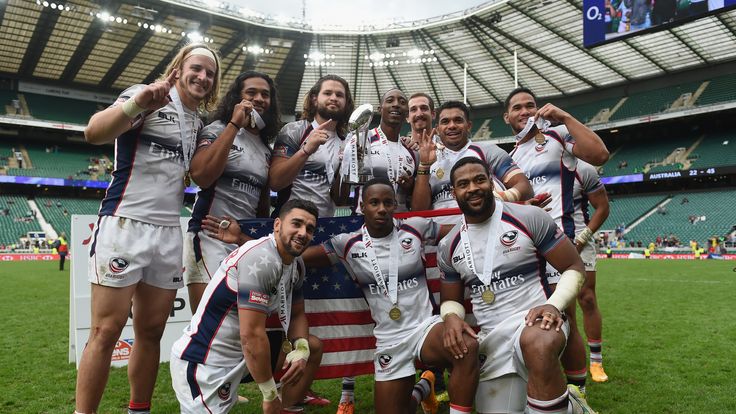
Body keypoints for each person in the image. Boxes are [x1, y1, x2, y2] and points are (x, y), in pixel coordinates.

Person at [203, 178, 480, 414]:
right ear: (362, 207)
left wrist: (501, 207)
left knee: (465, 346)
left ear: (395, 205)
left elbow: (463, 232)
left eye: (388, 202)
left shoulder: (416, 228)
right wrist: (242, 240)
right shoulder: (346, 243)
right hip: (389, 340)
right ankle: (424, 386)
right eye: (374, 202)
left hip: (423, 329)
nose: (382, 209)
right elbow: (292, 253)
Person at [78, 43, 221, 414]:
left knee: (151, 331)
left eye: (210, 73)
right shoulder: (147, 95)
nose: (203, 77)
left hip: (167, 234)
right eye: (197, 68)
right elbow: (93, 132)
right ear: (179, 67)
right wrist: (137, 104)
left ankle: (138, 409)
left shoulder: (196, 123)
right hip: (124, 225)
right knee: (106, 332)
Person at [437, 157, 593, 414]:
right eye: (463, 184)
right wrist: (451, 317)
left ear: (491, 182)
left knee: (537, 344)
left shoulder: (529, 217)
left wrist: (553, 305)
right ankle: (571, 407)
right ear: (454, 193)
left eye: (479, 179)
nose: (473, 188)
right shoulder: (449, 245)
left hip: (537, 322)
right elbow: (451, 299)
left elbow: (574, 268)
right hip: (491, 339)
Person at [171, 200, 323, 414]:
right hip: (205, 361)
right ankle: (275, 400)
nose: (302, 233)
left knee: (312, 345)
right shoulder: (262, 258)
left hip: (239, 358)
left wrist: (301, 350)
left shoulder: (296, 263)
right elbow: (251, 335)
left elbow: (297, 314)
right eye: (296, 224)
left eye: (309, 229)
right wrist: (268, 394)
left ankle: (286, 406)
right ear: (277, 225)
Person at [506, 87, 608, 398]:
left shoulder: (557, 135)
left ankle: (579, 386)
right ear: (506, 117)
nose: (524, 111)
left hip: (563, 242)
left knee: (569, 313)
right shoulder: (510, 159)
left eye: (530, 105)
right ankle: (541, 377)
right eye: (517, 108)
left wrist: (563, 115)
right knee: (536, 317)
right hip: (529, 248)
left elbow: (600, 155)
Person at [183, 71, 279, 313]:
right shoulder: (217, 129)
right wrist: (234, 124)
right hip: (208, 237)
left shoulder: (266, 148)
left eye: (265, 95)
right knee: (208, 320)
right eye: (251, 92)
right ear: (237, 97)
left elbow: (261, 204)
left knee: (238, 324)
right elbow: (201, 175)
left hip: (241, 240)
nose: (259, 98)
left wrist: (251, 241)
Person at [412, 100, 533, 218]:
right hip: (441, 233)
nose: (452, 126)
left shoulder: (488, 152)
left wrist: (496, 198)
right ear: (438, 129)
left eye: (458, 120)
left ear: (468, 126)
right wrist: (424, 165)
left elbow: (524, 187)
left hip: (484, 227)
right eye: (445, 122)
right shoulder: (428, 159)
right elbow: (419, 211)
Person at [269, 74, 354, 218]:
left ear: (346, 103)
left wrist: (349, 164)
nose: (334, 98)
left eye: (339, 95)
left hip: (324, 226)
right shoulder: (294, 130)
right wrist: (306, 150)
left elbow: (340, 200)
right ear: (315, 99)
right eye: (327, 93)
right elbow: (275, 182)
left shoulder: (345, 142)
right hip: (290, 224)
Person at [561, 161, 611, 386]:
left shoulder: (583, 168)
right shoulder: (530, 163)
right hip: (548, 239)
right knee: (564, 307)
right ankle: (571, 361)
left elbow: (603, 207)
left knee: (587, 299)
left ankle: (596, 360)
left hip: (580, 239)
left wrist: (582, 238)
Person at [340, 88, 416, 212]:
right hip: (363, 220)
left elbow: (415, 197)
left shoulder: (412, 150)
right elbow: (340, 197)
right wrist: (348, 165)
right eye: (390, 100)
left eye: (402, 102)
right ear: (380, 109)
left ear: (407, 112)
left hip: (401, 222)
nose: (396, 104)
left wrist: (411, 187)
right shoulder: (361, 140)